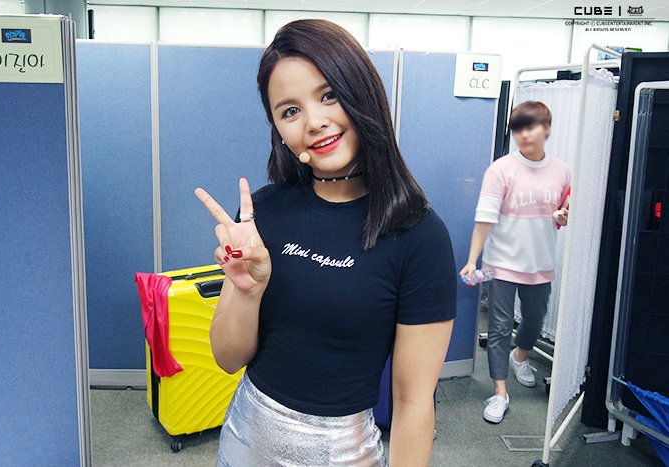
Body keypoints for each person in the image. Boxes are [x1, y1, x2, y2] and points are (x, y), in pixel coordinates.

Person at [194, 19, 457, 467]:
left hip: (343, 453)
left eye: (329, 95)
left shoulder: (418, 235)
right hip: (246, 442)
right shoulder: (262, 214)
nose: (314, 122)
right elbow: (228, 358)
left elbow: (413, 402)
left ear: (361, 93)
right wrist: (247, 290)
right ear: (279, 129)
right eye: (289, 111)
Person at [460, 101, 571, 424]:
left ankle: (520, 356)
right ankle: (499, 393)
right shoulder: (501, 170)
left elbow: (563, 209)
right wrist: (472, 259)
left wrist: (563, 216)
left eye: (530, 127)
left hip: (541, 262)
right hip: (502, 263)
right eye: (518, 129)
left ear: (547, 129)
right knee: (499, 327)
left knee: (534, 321)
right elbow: (485, 218)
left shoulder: (562, 170)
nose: (523, 135)